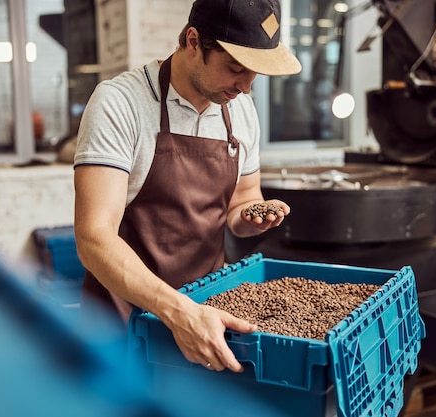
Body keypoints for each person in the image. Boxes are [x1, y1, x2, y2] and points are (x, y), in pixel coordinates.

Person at [73, 0, 301, 374]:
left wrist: (251, 216)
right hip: (123, 323)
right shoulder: (120, 103)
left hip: (207, 316)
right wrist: (178, 311)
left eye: (254, 75)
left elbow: (243, 199)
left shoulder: (241, 110)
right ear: (193, 41)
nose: (245, 87)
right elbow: (94, 237)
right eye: (235, 68)